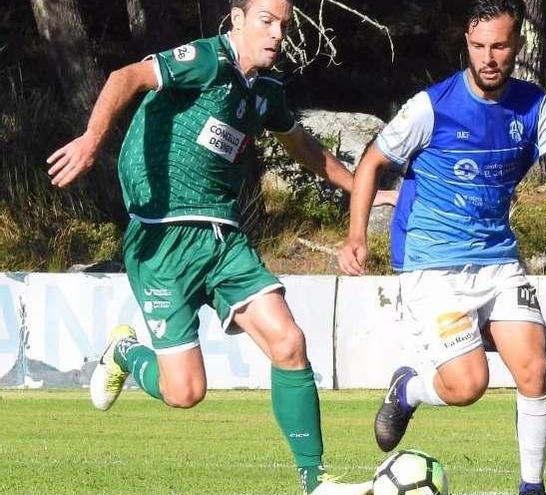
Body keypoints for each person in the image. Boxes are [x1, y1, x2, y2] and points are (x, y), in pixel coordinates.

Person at [46, 0, 393, 493]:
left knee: (289, 342)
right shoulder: (207, 60)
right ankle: (125, 352)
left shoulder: (265, 91)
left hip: (222, 237)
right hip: (163, 237)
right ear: (237, 19)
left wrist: (364, 187)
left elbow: (305, 148)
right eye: (265, 21)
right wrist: (90, 140)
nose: (276, 34)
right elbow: (127, 76)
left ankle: (316, 481)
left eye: (284, 25)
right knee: (184, 392)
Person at [337, 1, 546, 493]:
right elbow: (371, 163)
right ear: (466, 47)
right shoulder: (432, 106)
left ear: (517, 46)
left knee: (534, 368)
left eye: (499, 45)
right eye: (478, 46)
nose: (488, 57)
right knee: (467, 386)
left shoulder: (533, 106)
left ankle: (532, 487)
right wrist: (356, 236)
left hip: (498, 263)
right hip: (432, 267)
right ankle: (408, 389)